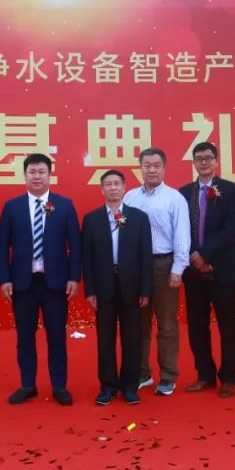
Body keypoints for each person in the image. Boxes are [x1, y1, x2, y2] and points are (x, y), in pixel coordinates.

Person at [0, 153, 81, 405]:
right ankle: (27, 384)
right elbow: (2, 246)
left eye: (42, 171)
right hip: (23, 284)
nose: (37, 176)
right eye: (32, 172)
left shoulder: (64, 205)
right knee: (25, 338)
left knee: (56, 337)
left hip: (55, 284)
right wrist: (5, 278)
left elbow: (75, 246)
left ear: (49, 175)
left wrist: (74, 277)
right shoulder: (12, 207)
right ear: (25, 175)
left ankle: (59, 386)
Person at [122, 148, 190, 397]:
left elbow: (182, 234)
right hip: (135, 267)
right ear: (140, 167)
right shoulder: (129, 197)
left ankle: (168, 376)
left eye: (156, 165)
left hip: (164, 265)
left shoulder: (174, 198)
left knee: (167, 324)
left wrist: (178, 268)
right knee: (138, 324)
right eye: (147, 165)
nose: (152, 170)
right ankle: (142, 373)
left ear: (164, 168)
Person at [82, 169, 153, 405]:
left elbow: (145, 255)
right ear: (101, 189)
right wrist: (90, 290)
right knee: (105, 339)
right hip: (103, 286)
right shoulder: (91, 219)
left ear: (124, 188)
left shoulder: (139, 217)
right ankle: (108, 386)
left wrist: (145, 290)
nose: (113, 188)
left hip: (131, 286)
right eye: (108, 184)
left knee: (132, 338)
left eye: (117, 183)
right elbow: (86, 258)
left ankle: (130, 387)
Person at [178, 142, 235, 398]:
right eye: (199, 158)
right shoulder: (184, 192)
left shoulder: (231, 190)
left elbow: (231, 228)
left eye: (208, 158)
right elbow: (181, 229)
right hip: (194, 270)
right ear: (193, 163)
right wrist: (195, 256)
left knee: (227, 326)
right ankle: (204, 374)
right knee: (197, 326)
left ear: (216, 161)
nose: (204, 162)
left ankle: (228, 377)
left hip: (222, 268)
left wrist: (205, 254)